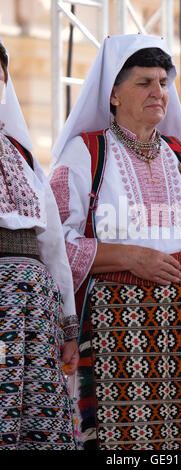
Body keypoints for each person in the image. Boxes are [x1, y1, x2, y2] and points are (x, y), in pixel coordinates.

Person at [49, 33, 181, 451]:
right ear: (113, 94)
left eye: (163, 83)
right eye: (143, 83)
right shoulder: (86, 154)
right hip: (118, 324)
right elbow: (55, 243)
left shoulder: (180, 154)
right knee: (126, 441)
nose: (158, 92)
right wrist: (129, 256)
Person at [0, 42, 79, 450]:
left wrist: (67, 326)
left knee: (38, 425)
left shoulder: (22, 156)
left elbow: (53, 250)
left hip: (35, 314)